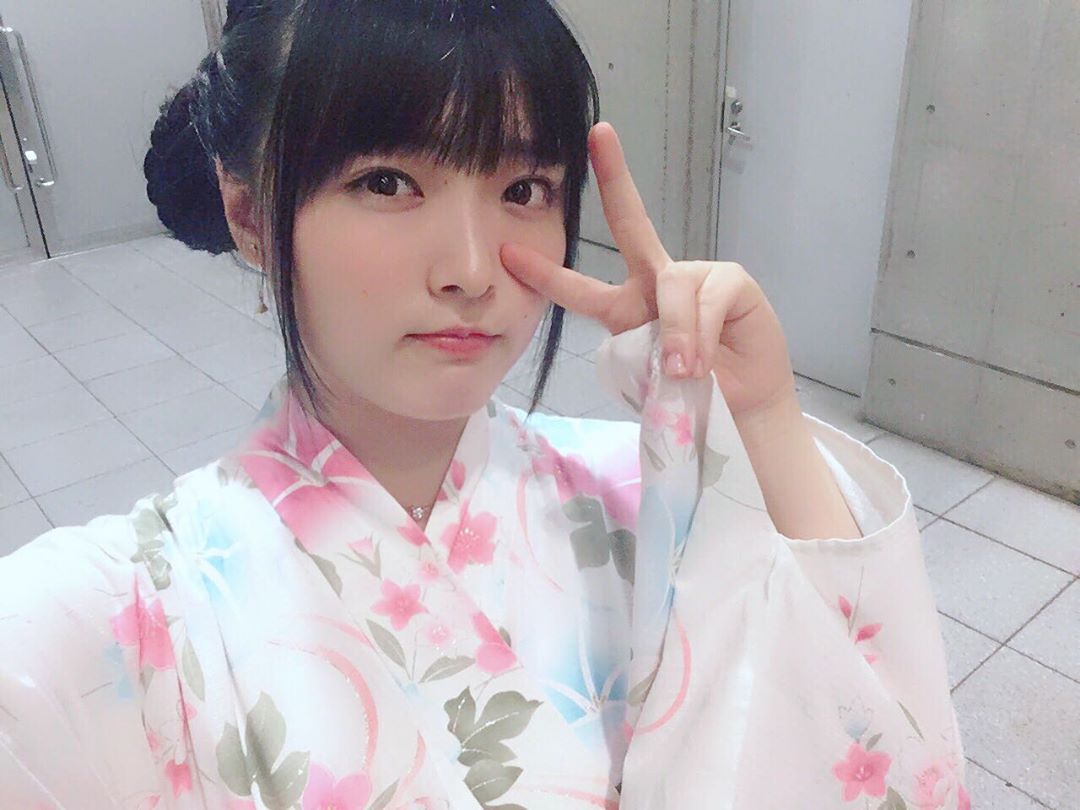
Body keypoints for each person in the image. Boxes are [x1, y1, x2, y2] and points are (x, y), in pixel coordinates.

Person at [0, 1, 968, 807]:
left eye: (523, 187)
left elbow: (876, 738)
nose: (470, 270)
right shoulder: (129, 609)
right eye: (388, 181)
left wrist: (762, 415)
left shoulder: (639, 496)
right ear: (251, 214)